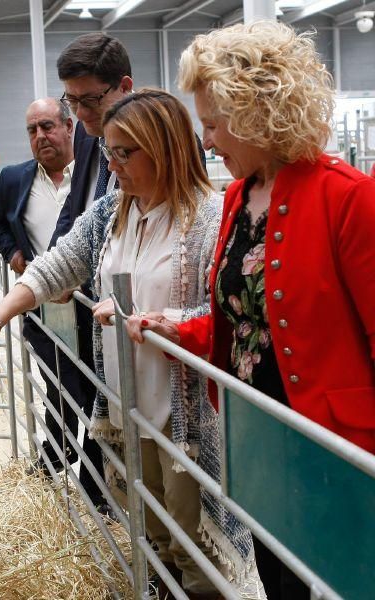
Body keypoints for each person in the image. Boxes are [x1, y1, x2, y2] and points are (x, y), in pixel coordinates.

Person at [126, 21, 375, 600]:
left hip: (332, 446)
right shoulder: (236, 197)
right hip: (257, 436)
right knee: (277, 578)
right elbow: (248, 320)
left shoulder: (348, 197)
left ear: (257, 114)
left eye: (212, 124)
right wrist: (183, 328)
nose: (206, 141)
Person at [0, 88, 253, 600]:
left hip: (185, 410)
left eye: (126, 153)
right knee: (149, 521)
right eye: (109, 151)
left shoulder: (211, 216)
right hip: (127, 398)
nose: (112, 164)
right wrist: (1, 310)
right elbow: (59, 263)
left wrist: (157, 320)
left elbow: (225, 313)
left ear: (164, 149)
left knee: (194, 536)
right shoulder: (113, 211)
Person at [0, 98, 106, 506]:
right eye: (32, 130)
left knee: (97, 394)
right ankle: (57, 464)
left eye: (48, 126)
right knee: (61, 387)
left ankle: (89, 481)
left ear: (70, 127)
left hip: (93, 310)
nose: (40, 136)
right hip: (43, 308)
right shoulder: (15, 179)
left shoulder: (94, 174)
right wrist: (13, 253)